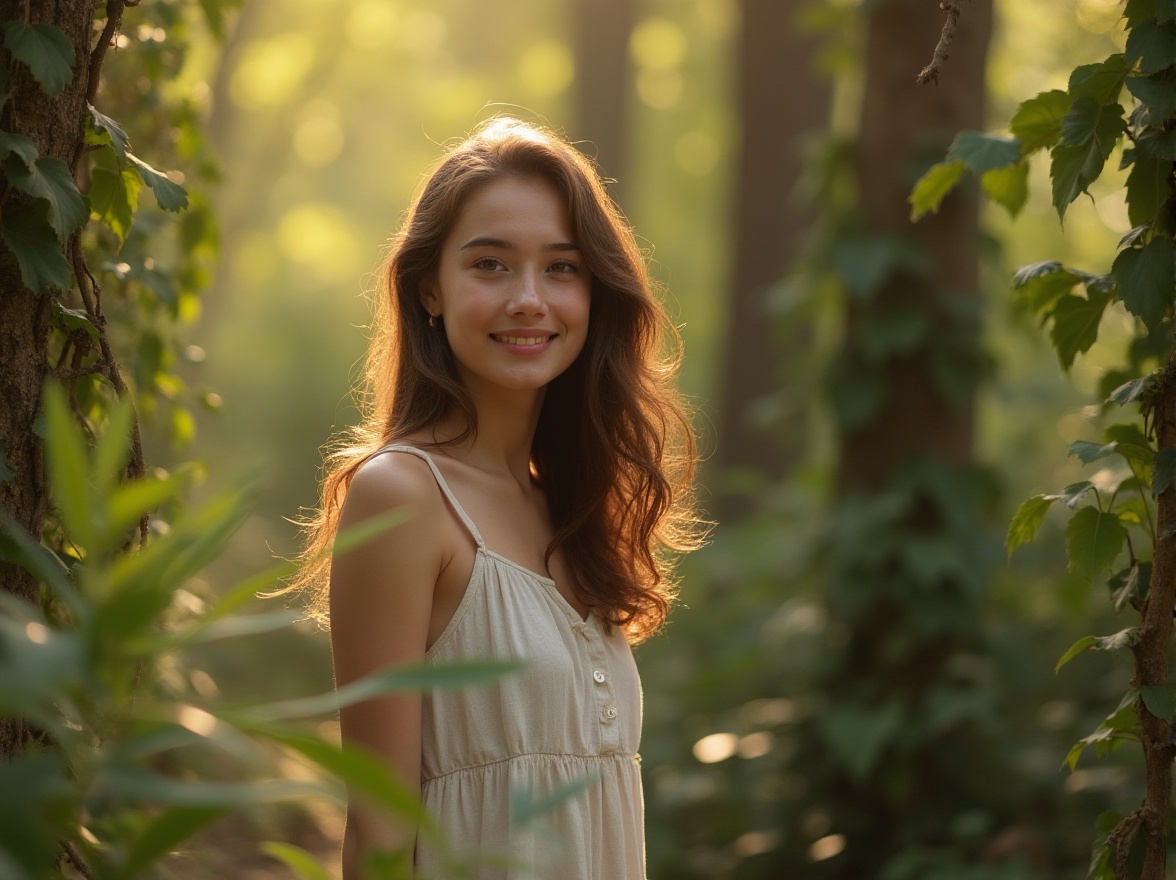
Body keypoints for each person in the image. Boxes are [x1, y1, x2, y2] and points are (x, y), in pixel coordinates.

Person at [291, 117, 704, 879]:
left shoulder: (569, 507)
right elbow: (378, 830)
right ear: (429, 290)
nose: (528, 299)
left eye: (561, 268)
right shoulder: (402, 498)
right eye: (490, 265)